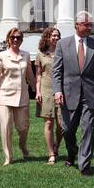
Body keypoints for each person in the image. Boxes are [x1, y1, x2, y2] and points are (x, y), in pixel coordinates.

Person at [52, 11, 94, 177]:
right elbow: (56, 71)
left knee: (88, 130)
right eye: (86, 25)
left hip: (90, 96)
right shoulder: (63, 44)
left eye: (91, 24)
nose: (90, 28)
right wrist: (57, 91)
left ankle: (84, 165)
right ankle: (72, 151)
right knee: (67, 129)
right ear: (77, 25)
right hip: (68, 94)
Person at [0, 27, 36, 166]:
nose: (15, 39)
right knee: (6, 127)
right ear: (8, 39)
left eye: (18, 37)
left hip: (22, 96)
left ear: (21, 40)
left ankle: (22, 146)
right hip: (4, 95)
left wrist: (36, 90)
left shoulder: (26, 55)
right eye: (13, 37)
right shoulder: (1, 55)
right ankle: (8, 157)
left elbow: (30, 75)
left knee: (23, 127)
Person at [35, 27, 62, 164]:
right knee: (49, 122)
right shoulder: (40, 54)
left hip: (61, 91)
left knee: (61, 125)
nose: (56, 38)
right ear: (47, 37)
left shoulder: (63, 52)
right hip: (45, 90)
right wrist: (38, 92)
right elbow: (38, 76)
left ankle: (57, 146)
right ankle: (51, 153)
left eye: (58, 36)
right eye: (53, 35)